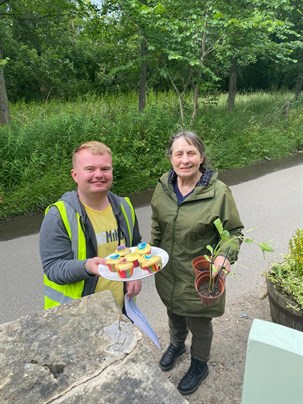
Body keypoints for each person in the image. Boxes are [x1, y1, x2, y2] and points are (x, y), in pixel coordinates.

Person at [150, 131, 244, 396]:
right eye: (178, 153)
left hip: (199, 276)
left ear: (201, 157)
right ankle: (177, 345)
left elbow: (233, 233)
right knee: (173, 311)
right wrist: (153, 253)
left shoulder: (218, 193)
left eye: (191, 153)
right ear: (171, 158)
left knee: (199, 324)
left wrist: (225, 256)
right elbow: (157, 222)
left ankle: (199, 364)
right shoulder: (163, 188)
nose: (185, 159)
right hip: (168, 272)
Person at [39, 141, 142, 311]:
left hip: (121, 309)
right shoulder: (58, 215)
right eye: (90, 169)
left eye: (105, 169)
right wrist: (87, 266)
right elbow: (53, 268)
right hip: (77, 315)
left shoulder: (125, 207)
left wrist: (134, 275)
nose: (99, 174)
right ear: (75, 175)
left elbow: (134, 249)